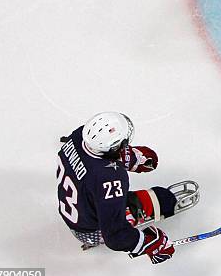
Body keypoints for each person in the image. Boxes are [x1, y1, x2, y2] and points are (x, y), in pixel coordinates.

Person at [56, 112, 179, 264]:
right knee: (164, 200)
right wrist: (147, 244)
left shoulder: (78, 136)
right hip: (91, 230)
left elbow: (94, 162)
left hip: (79, 211)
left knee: (102, 198)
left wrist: (127, 157)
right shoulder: (110, 178)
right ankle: (98, 236)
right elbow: (115, 236)